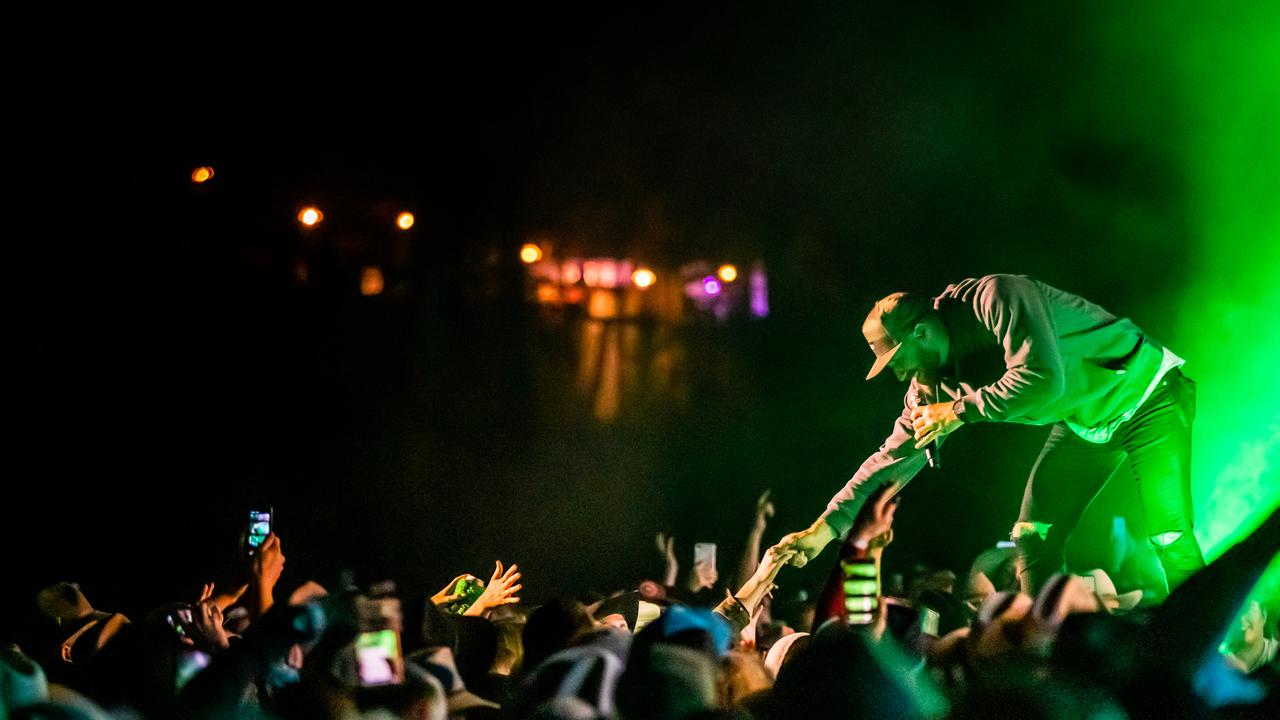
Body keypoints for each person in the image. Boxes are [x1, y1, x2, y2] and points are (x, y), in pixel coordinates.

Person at [773, 274, 1205, 598]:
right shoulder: (929, 387)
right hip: (1084, 423)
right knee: (1032, 535)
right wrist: (823, 529)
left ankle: (1205, 640)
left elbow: (1043, 380)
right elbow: (890, 460)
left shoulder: (996, 298)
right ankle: (1047, 651)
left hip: (1149, 395)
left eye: (899, 361)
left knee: (1168, 533)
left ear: (921, 332)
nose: (900, 374)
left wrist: (961, 411)